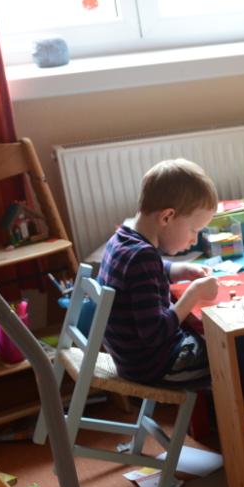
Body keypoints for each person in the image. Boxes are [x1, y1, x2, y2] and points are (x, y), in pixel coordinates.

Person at [99, 159, 222, 385]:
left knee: (206, 336)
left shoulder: (122, 239)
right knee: (230, 352)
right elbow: (156, 333)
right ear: (167, 217)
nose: (194, 240)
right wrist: (193, 293)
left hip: (133, 359)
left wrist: (179, 270)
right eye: (194, 230)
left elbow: (146, 273)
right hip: (155, 364)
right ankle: (221, 418)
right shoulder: (142, 257)